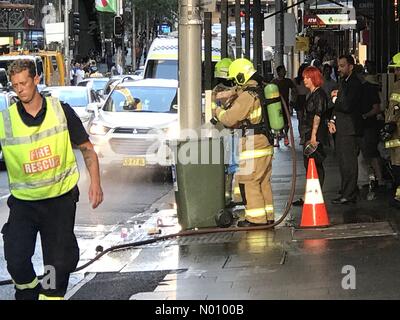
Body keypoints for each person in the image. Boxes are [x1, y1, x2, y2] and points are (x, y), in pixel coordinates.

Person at [0, 59, 103, 300]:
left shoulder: (61, 111)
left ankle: (51, 291)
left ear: (36, 80)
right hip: (24, 203)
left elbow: (87, 149)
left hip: (59, 201)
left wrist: (95, 184)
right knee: (15, 259)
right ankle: (28, 291)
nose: (20, 89)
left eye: (24, 83)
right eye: (15, 85)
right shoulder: (6, 120)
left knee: (55, 268)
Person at [214, 58, 275, 226]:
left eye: (236, 79)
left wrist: (216, 110)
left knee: (249, 181)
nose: (235, 83)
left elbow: (229, 118)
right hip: (265, 143)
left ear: (241, 77)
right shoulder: (260, 90)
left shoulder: (248, 96)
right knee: (263, 182)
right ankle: (268, 216)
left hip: (253, 145)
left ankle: (256, 219)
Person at [328, 55, 363, 205]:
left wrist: (336, 99)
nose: (339, 69)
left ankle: (349, 193)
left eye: (342, 66)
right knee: (342, 161)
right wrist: (332, 120)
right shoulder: (344, 82)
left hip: (350, 128)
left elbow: (347, 105)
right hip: (342, 126)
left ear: (351, 67)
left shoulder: (354, 83)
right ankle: (346, 190)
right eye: (338, 66)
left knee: (348, 162)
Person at [211, 58, 241, 205]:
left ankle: (228, 195)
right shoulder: (224, 90)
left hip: (225, 131)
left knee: (230, 165)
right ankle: (229, 195)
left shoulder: (218, 90)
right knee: (231, 165)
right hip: (227, 131)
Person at [353, 64, 383, 189]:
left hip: (368, 126)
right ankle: (369, 179)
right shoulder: (359, 88)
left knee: (370, 153)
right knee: (366, 154)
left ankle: (378, 179)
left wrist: (365, 116)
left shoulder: (369, 89)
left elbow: (377, 108)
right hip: (363, 125)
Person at [382, 52, 400, 207]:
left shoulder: (398, 86)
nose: (395, 72)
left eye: (397, 69)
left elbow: (394, 108)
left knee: (397, 164)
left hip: (397, 132)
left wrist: (388, 124)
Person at [271, 65, 297, 147]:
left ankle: (286, 136)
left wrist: (293, 99)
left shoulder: (288, 81)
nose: (285, 72)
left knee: (286, 122)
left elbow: (294, 90)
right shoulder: (274, 82)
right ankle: (277, 140)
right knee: (276, 123)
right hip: (276, 106)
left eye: (284, 70)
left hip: (285, 104)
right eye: (283, 71)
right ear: (278, 72)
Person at [294, 63, 310, 144]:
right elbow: (293, 92)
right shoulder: (296, 80)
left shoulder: (309, 79)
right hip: (300, 99)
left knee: (306, 119)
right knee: (300, 119)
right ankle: (302, 136)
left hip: (307, 99)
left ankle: (305, 136)